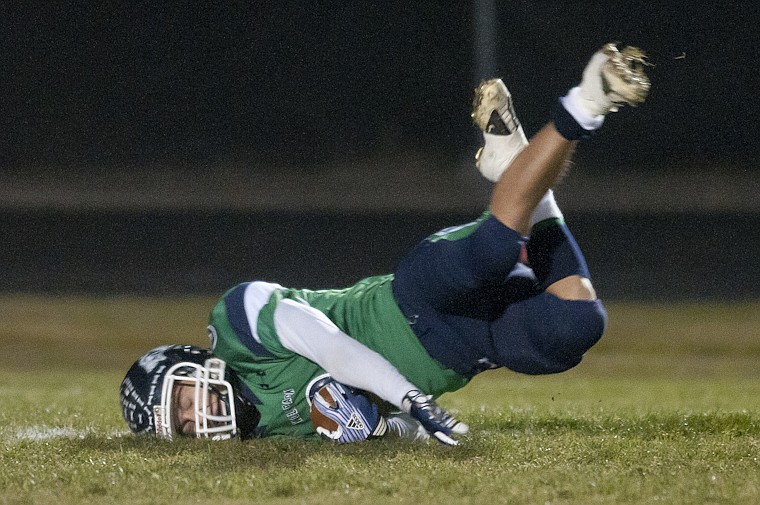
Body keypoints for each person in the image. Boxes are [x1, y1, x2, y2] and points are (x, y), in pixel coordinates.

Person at [120, 42, 651, 445]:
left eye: (182, 401)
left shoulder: (238, 323)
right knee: (579, 325)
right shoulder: (271, 436)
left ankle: (586, 102)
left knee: (491, 252)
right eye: (182, 426)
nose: (195, 418)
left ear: (191, 365)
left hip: (405, 304)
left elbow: (329, 345)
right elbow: (397, 430)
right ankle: (520, 176)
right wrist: (380, 426)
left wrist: (407, 398)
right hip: (455, 354)